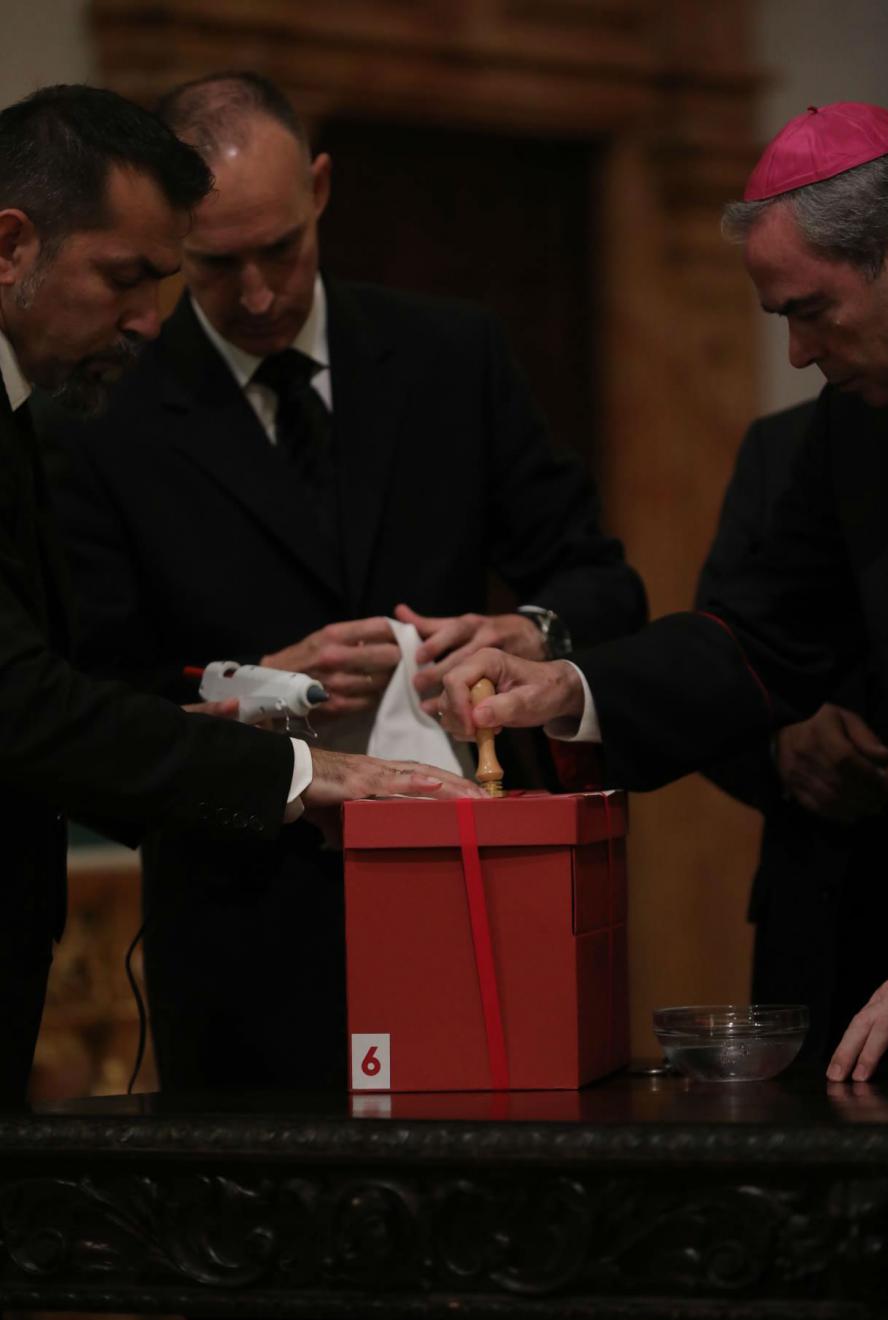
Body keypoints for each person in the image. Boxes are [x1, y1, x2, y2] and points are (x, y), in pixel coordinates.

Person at [41, 71, 645, 1097]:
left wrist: (519, 632)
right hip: (244, 925)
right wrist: (267, 684)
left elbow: (600, 581)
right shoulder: (104, 413)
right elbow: (94, 701)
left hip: (471, 889)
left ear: (320, 187)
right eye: (218, 264)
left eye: (281, 247)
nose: (262, 293)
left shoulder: (451, 352)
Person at [0, 81, 476, 1116]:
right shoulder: (67, 426)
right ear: (11, 245)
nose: (146, 319)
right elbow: (29, 702)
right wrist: (299, 769)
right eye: (128, 277)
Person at [440, 101, 888, 1084]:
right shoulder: (857, 430)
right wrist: (571, 685)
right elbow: (753, 641)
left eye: (810, 309)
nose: (795, 356)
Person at [696, 399, 888, 1065]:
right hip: (823, 903)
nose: (798, 353)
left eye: (810, 311)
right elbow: (726, 663)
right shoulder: (789, 442)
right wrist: (781, 744)